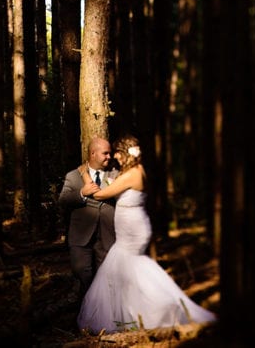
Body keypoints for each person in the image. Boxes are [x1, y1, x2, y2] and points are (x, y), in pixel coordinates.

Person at [76, 135, 216, 333]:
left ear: (126, 153)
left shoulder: (133, 173)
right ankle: (135, 313)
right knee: (127, 268)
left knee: (133, 266)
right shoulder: (135, 171)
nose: (116, 158)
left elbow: (99, 194)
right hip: (131, 228)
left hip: (132, 231)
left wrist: (84, 174)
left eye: (118, 154)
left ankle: (163, 306)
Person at [58, 137, 118, 297]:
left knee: (106, 276)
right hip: (80, 235)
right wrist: (81, 193)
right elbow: (62, 200)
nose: (109, 157)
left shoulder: (115, 174)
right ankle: (87, 306)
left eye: (110, 153)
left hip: (107, 235)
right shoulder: (73, 176)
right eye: (105, 153)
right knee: (82, 272)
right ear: (93, 153)